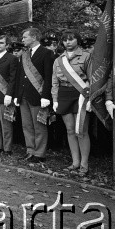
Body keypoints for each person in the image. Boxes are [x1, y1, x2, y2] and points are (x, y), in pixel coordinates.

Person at [52, 31, 92, 176]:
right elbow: (54, 82)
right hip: (64, 94)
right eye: (64, 40)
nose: (67, 42)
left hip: (80, 94)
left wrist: (91, 99)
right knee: (70, 130)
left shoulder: (86, 56)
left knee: (81, 130)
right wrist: (55, 99)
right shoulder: (58, 60)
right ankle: (75, 162)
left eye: (71, 39)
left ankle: (84, 164)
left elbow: (92, 79)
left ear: (77, 40)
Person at [15, 27, 54, 163]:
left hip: (38, 95)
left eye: (25, 37)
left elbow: (49, 77)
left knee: (39, 126)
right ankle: (30, 150)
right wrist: (17, 95)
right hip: (24, 95)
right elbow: (20, 77)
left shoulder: (47, 53)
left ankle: (40, 153)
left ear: (34, 37)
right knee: (26, 125)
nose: (23, 39)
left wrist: (46, 96)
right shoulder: (24, 55)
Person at [0, 35, 19, 155]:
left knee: (6, 124)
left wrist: (9, 95)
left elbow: (13, 78)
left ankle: (7, 148)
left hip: (5, 95)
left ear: (7, 45)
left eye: (1, 43)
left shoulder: (11, 58)